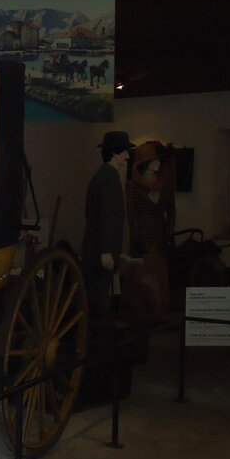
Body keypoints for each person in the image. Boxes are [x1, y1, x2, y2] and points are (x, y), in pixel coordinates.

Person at [82, 130, 134, 319]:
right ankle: (96, 336)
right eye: (124, 152)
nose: (128, 156)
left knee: (101, 295)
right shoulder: (108, 178)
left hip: (99, 248)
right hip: (99, 251)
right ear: (115, 153)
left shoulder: (106, 176)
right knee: (99, 298)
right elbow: (106, 217)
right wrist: (106, 252)